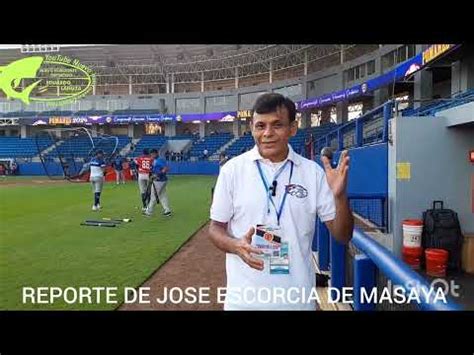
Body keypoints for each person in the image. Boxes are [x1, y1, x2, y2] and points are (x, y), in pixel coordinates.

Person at [209, 93, 354, 310]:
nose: (267, 133)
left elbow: (343, 235)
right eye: (260, 126)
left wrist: (340, 197)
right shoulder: (232, 171)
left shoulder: (312, 173)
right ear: (252, 128)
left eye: (277, 125)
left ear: (292, 129)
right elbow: (215, 229)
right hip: (243, 303)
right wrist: (235, 245)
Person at [143, 149, 172, 217]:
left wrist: (157, 174)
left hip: (159, 180)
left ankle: (149, 211)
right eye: (151, 154)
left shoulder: (159, 160)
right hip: (162, 180)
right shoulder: (158, 160)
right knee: (162, 195)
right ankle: (167, 210)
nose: (151, 156)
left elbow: (166, 168)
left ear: (155, 153)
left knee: (153, 196)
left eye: (152, 154)